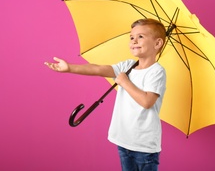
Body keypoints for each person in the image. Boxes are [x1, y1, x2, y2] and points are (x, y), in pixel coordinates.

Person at [45, 18, 167, 171]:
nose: (134, 41)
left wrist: (125, 82)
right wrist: (70, 68)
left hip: (144, 146)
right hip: (123, 140)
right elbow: (98, 69)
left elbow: (147, 102)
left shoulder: (156, 72)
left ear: (157, 44)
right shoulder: (128, 66)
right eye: (131, 37)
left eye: (140, 36)